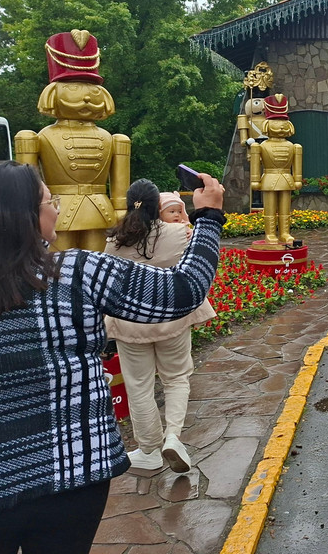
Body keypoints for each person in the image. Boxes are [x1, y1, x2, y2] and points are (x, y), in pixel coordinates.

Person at [0, 160, 224, 553]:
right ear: (25, 218)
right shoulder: (77, 274)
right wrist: (209, 216)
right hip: (73, 479)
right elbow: (183, 291)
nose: (57, 210)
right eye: (49, 202)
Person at [104, 182, 216, 474]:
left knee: (138, 387)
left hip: (130, 324)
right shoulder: (179, 233)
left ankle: (148, 451)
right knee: (176, 378)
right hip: (172, 319)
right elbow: (195, 264)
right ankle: (174, 438)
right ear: (157, 206)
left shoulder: (114, 241)